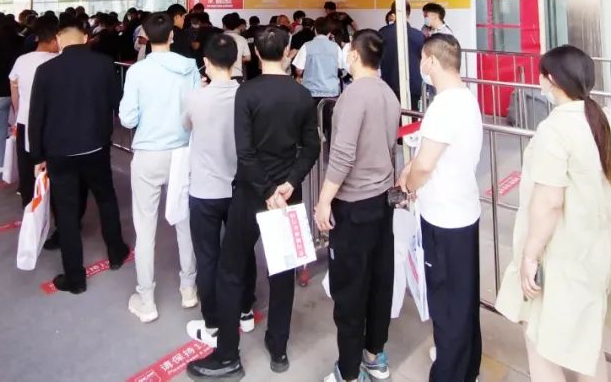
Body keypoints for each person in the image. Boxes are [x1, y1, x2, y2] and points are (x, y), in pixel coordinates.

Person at [188, 25, 320, 380]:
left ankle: (228, 355)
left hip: (250, 193)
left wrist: (266, 190)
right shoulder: (302, 94)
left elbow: (244, 153)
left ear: (257, 54)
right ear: (288, 51)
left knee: (231, 271)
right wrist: (288, 184)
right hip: (287, 196)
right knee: (282, 273)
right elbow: (312, 147)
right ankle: (278, 350)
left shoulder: (246, 92)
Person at [494, 45, 611, 382]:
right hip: (597, 248)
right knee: (586, 346)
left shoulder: (555, 129)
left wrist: (530, 256)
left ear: (551, 79)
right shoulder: (603, 119)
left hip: (564, 254)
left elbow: (549, 201)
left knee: (541, 341)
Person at [313, 29, 400, 382]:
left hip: (353, 206)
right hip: (381, 201)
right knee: (379, 281)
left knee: (349, 289)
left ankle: (348, 371)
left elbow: (342, 155)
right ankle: (374, 355)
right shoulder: (388, 93)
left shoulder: (352, 96)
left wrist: (323, 200)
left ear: (353, 56)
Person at [399, 34, 483, 382]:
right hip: (464, 210)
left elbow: (424, 165)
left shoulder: (444, 106)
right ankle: (467, 367)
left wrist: (409, 183)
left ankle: (449, 373)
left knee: (447, 306)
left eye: (422, 58)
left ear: (431, 61)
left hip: (444, 218)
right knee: (463, 300)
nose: (421, 64)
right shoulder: (465, 97)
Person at [30, 15, 130, 294]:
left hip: (59, 152)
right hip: (96, 146)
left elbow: (36, 116)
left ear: (59, 40)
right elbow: (118, 104)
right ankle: (116, 251)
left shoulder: (46, 70)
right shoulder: (103, 64)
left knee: (67, 212)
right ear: (85, 38)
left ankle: (75, 278)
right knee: (106, 198)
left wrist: (37, 156)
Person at [119, 12, 200, 323]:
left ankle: (146, 298)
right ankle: (189, 288)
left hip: (149, 154)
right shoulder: (190, 67)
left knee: (145, 227)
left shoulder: (138, 72)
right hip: (183, 152)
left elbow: (127, 119)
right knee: (185, 221)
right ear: (171, 36)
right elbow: (195, 110)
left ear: (145, 38)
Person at [183, 35, 257, 347]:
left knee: (208, 255)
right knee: (243, 252)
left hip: (205, 189)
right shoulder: (247, 95)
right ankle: (245, 310)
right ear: (237, 61)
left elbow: (186, 126)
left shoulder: (195, 98)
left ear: (206, 63)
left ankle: (213, 322)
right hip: (241, 188)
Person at [0, 20, 23, 174]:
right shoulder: (21, 49)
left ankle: (0, 163)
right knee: (21, 127)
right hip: (19, 92)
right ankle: (20, 161)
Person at [378, 2, 423, 107]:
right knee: (411, 116)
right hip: (413, 86)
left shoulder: (383, 33)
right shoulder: (419, 35)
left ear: (393, 14)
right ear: (409, 14)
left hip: (388, 85)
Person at [221, 12, 251, 81]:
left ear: (224, 25)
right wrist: (238, 58)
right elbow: (248, 58)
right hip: (237, 74)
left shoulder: (219, 39)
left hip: (222, 75)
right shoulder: (241, 39)